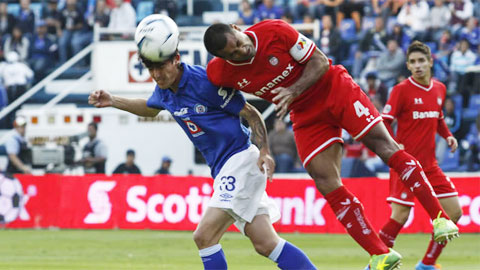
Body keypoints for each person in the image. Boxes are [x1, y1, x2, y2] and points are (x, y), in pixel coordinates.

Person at [203, 19, 458, 269]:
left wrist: (293, 90)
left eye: (238, 43)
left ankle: (440, 218)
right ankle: (379, 253)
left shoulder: (274, 31)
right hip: (305, 114)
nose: (241, 51)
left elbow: (320, 62)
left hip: (335, 88)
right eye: (232, 54)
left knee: (385, 147)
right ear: (222, 58)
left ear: (237, 29)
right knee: (325, 179)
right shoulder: (219, 72)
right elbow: (199, 86)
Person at [88, 15, 316, 270]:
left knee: (204, 236)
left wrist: (264, 150)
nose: (156, 74)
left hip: (240, 160)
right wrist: (113, 100)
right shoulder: (165, 91)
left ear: (176, 58)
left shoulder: (204, 82)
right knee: (266, 244)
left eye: (161, 67)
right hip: (223, 169)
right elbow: (151, 109)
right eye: (151, 69)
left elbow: (251, 113)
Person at [379, 41, 463, 270]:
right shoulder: (401, 91)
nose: (417, 66)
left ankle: (426, 264)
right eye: (413, 62)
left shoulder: (439, 89)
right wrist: (392, 144)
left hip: (430, 166)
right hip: (405, 166)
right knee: (400, 216)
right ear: (407, 66)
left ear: (430, 62)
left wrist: (447, 135)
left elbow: (438, 117)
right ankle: (374, 262)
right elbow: (384, 121)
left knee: (454, 213)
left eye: (421, 61)